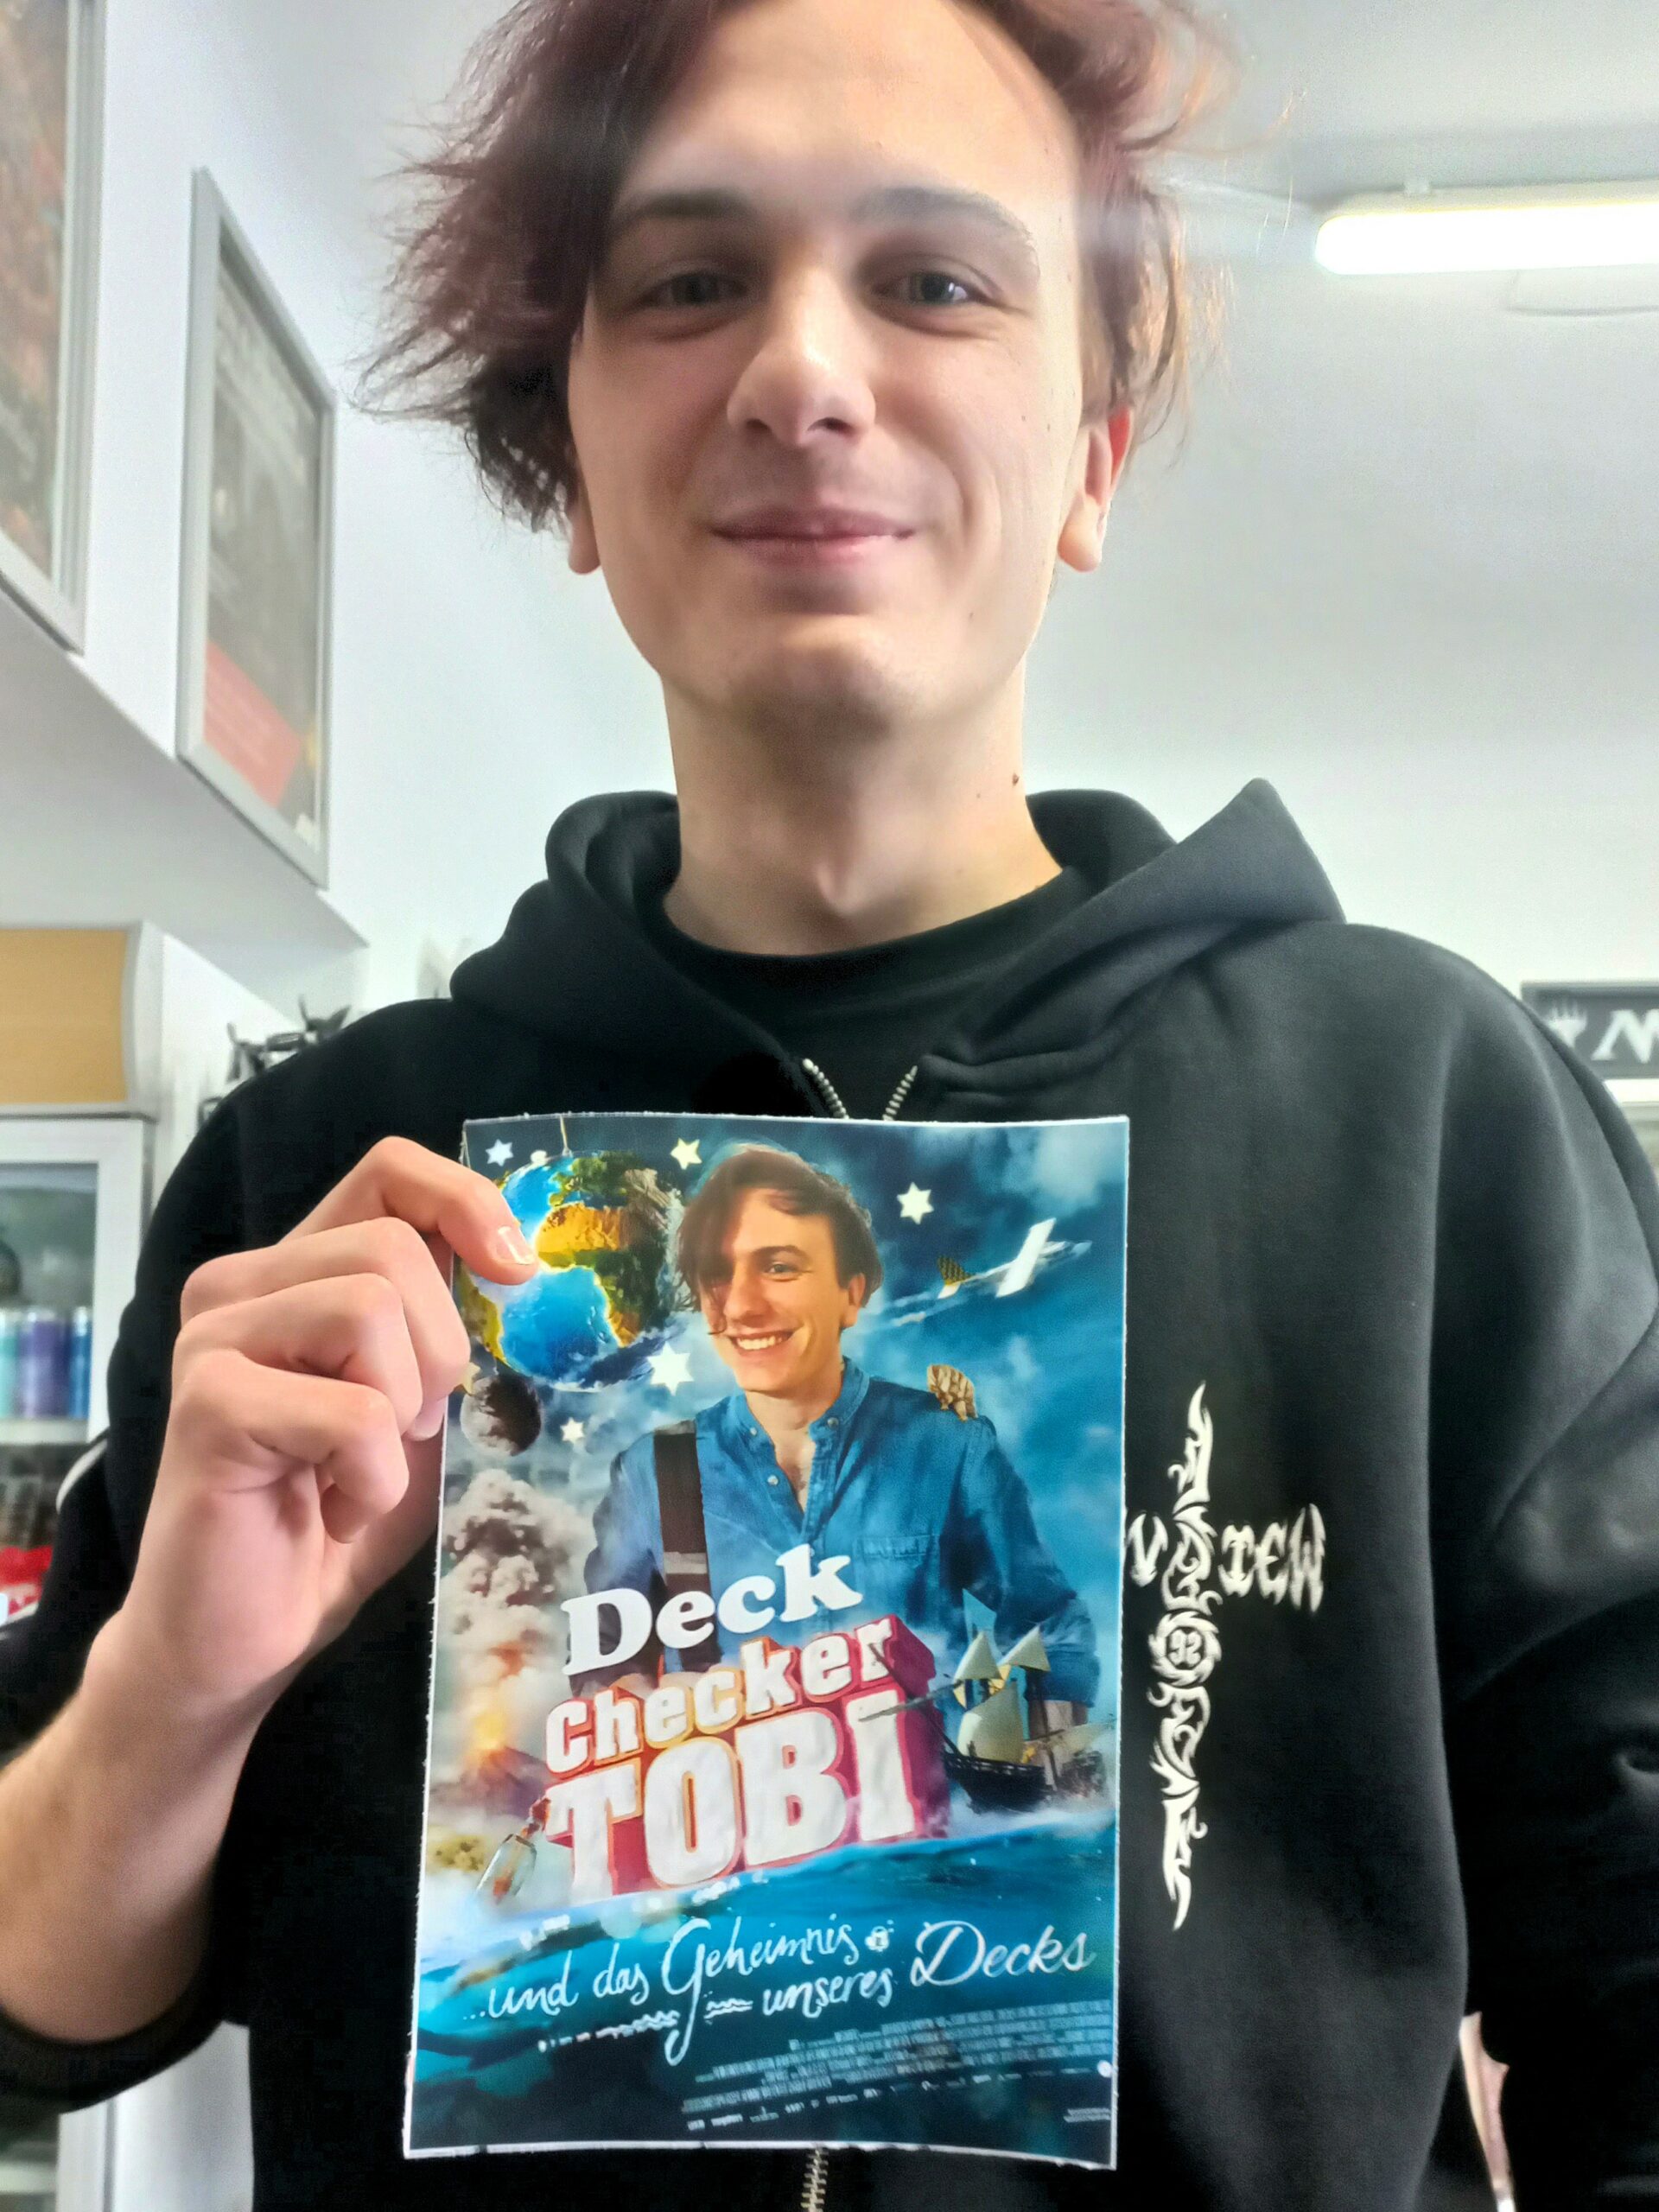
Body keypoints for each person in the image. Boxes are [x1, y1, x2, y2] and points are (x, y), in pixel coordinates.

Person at [0, 0, 1653, 2206]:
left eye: (934, 279)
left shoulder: (1428, 1128)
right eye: (690, 282)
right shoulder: (328, 1185)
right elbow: (48, 2005)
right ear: (571, 453)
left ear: (1090, 455)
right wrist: (170, 1694)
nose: (800, 368)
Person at [575, 1141, 1097, 1725]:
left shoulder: (947, 1448)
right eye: (717, 1274)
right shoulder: (652, 1473)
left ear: (852, 1294)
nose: (740, 1306)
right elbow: (605, 1659)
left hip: (937, 1782)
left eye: (779, 1267)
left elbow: (1049, 1623)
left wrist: (1057, 1759)